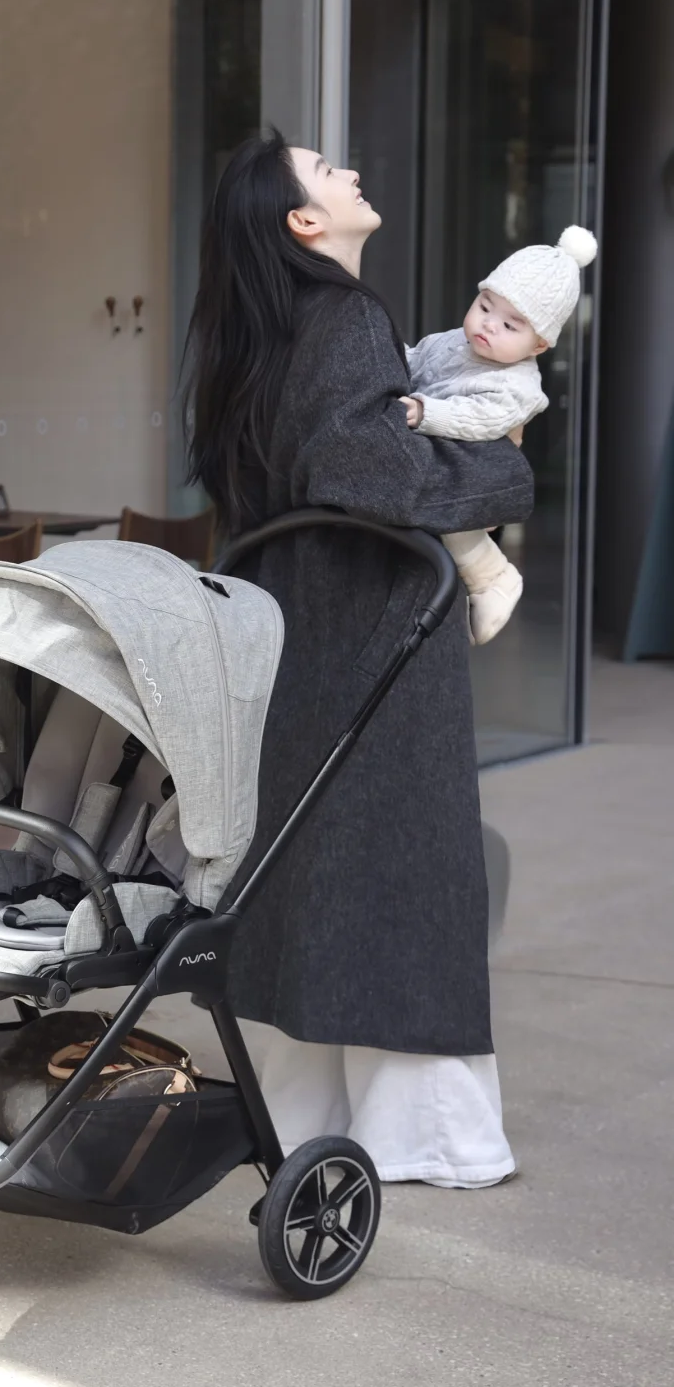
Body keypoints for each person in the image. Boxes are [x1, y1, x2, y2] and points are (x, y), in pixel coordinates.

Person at [184, 130, 534, 1188]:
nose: (346, 170)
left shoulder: (266, 332)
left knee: (317, 873)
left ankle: (310, 1114)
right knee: (406, 876)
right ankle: (426, 1137)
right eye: (324, 168)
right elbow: (369, 466)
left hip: (296, 632)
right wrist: (505, 475)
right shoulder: (342, 316)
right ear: (304, 220)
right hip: (375, 627)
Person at [401, 226, 598, 643]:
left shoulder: (517, 385)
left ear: (539, 346)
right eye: (485, 306)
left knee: (456, 528)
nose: (489, 325)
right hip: (436, 457)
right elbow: (416, 359)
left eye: (510, 325)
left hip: (475, 475)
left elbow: (478, 419)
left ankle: (493, 578)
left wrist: (425, 411)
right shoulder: (452, 342)